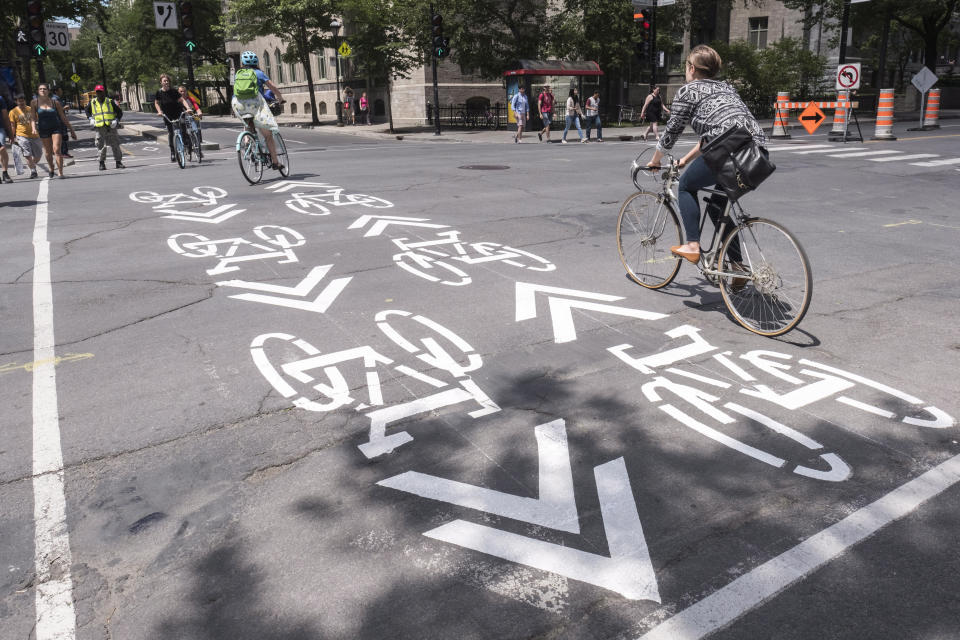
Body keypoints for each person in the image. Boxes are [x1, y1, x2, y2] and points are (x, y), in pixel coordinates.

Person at [646, 45, 767, 264]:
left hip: (727, 150)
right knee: (717, 207)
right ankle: (738, 267)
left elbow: (672, 131)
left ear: (691, 67)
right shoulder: (726, 88)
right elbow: (714, 136)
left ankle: (692, 245)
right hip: (757, 151)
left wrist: (655, 161)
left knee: (686, 186)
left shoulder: (688, 91)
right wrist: (684, 160)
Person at [231, 50, 285, 170]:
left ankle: (247, 142)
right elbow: (273, 87)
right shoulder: (259, 73)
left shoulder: (237, 74)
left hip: (238, 104)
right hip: (255, 105)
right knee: (268, 134)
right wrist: (280, 98)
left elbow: (234, 90)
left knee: (247, 122)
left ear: (243, 63)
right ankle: (276, 162)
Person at [31, 83, 76, 178]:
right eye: (40, 89)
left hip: (56, 128)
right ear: (38, 91)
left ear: (48, 91)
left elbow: (63, 117)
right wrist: (34, 128)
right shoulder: (34, 103)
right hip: (43, 129)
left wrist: (72, 130)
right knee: (48, 152)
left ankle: (60, 172)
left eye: (45, 89)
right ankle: (51, 167)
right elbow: (33, 118)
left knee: (56, 150)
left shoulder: (55, 102)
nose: (43, 90)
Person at [154, 73, 195, 162]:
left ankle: (187, 145)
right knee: (171, 133)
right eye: (164, 81)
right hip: (167, 115)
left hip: (178, 113)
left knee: (183, 130)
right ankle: (173, 152)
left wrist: (188, 108)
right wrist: (159, 111)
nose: (166, 82)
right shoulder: (159, 92)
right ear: (161, 82)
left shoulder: (173, 91)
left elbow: (182, 100)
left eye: (167, 81)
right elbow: (156, 103)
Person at [85, 84, 125, 171]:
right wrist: (90, 119)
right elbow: (87, 111)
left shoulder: (110, 101)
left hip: (111, 126)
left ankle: (118, 162)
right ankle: (101, 164)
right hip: (100, 128)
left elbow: (119, 112)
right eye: (97, 92)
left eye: (101, 92)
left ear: (104, 92)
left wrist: (116, 120)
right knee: (101, 146)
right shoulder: (93, 102)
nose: (99, 94)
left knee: (115, 144)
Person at [9, 95, 41, 179]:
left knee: (39, 155)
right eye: (19, 101)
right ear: (16, 102)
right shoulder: (13, 112)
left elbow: (36, 119)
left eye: (23, 101)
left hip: (34, 135)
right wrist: (12, 137)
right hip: (21, 135)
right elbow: (12, 126)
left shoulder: (30, 109)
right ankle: (33, 171)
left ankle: (32, 166)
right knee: (27, 154)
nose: (21, 103)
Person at [53, 87, 73, 160]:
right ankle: (63, 152)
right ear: (56, 91)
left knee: (64, 136)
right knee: (62, 136)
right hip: (59, 120)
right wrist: (64, 108)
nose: (62, 91)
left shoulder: (58, 99)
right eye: (60, 90)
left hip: (61, 120)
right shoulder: (55, 100)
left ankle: (64, 152)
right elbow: (55, 111)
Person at [0, 93, 13, 183]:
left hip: (0, 128)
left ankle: (5, 172)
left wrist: (10, 134)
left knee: (2, 149)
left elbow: (5, 117)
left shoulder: (0, 99)